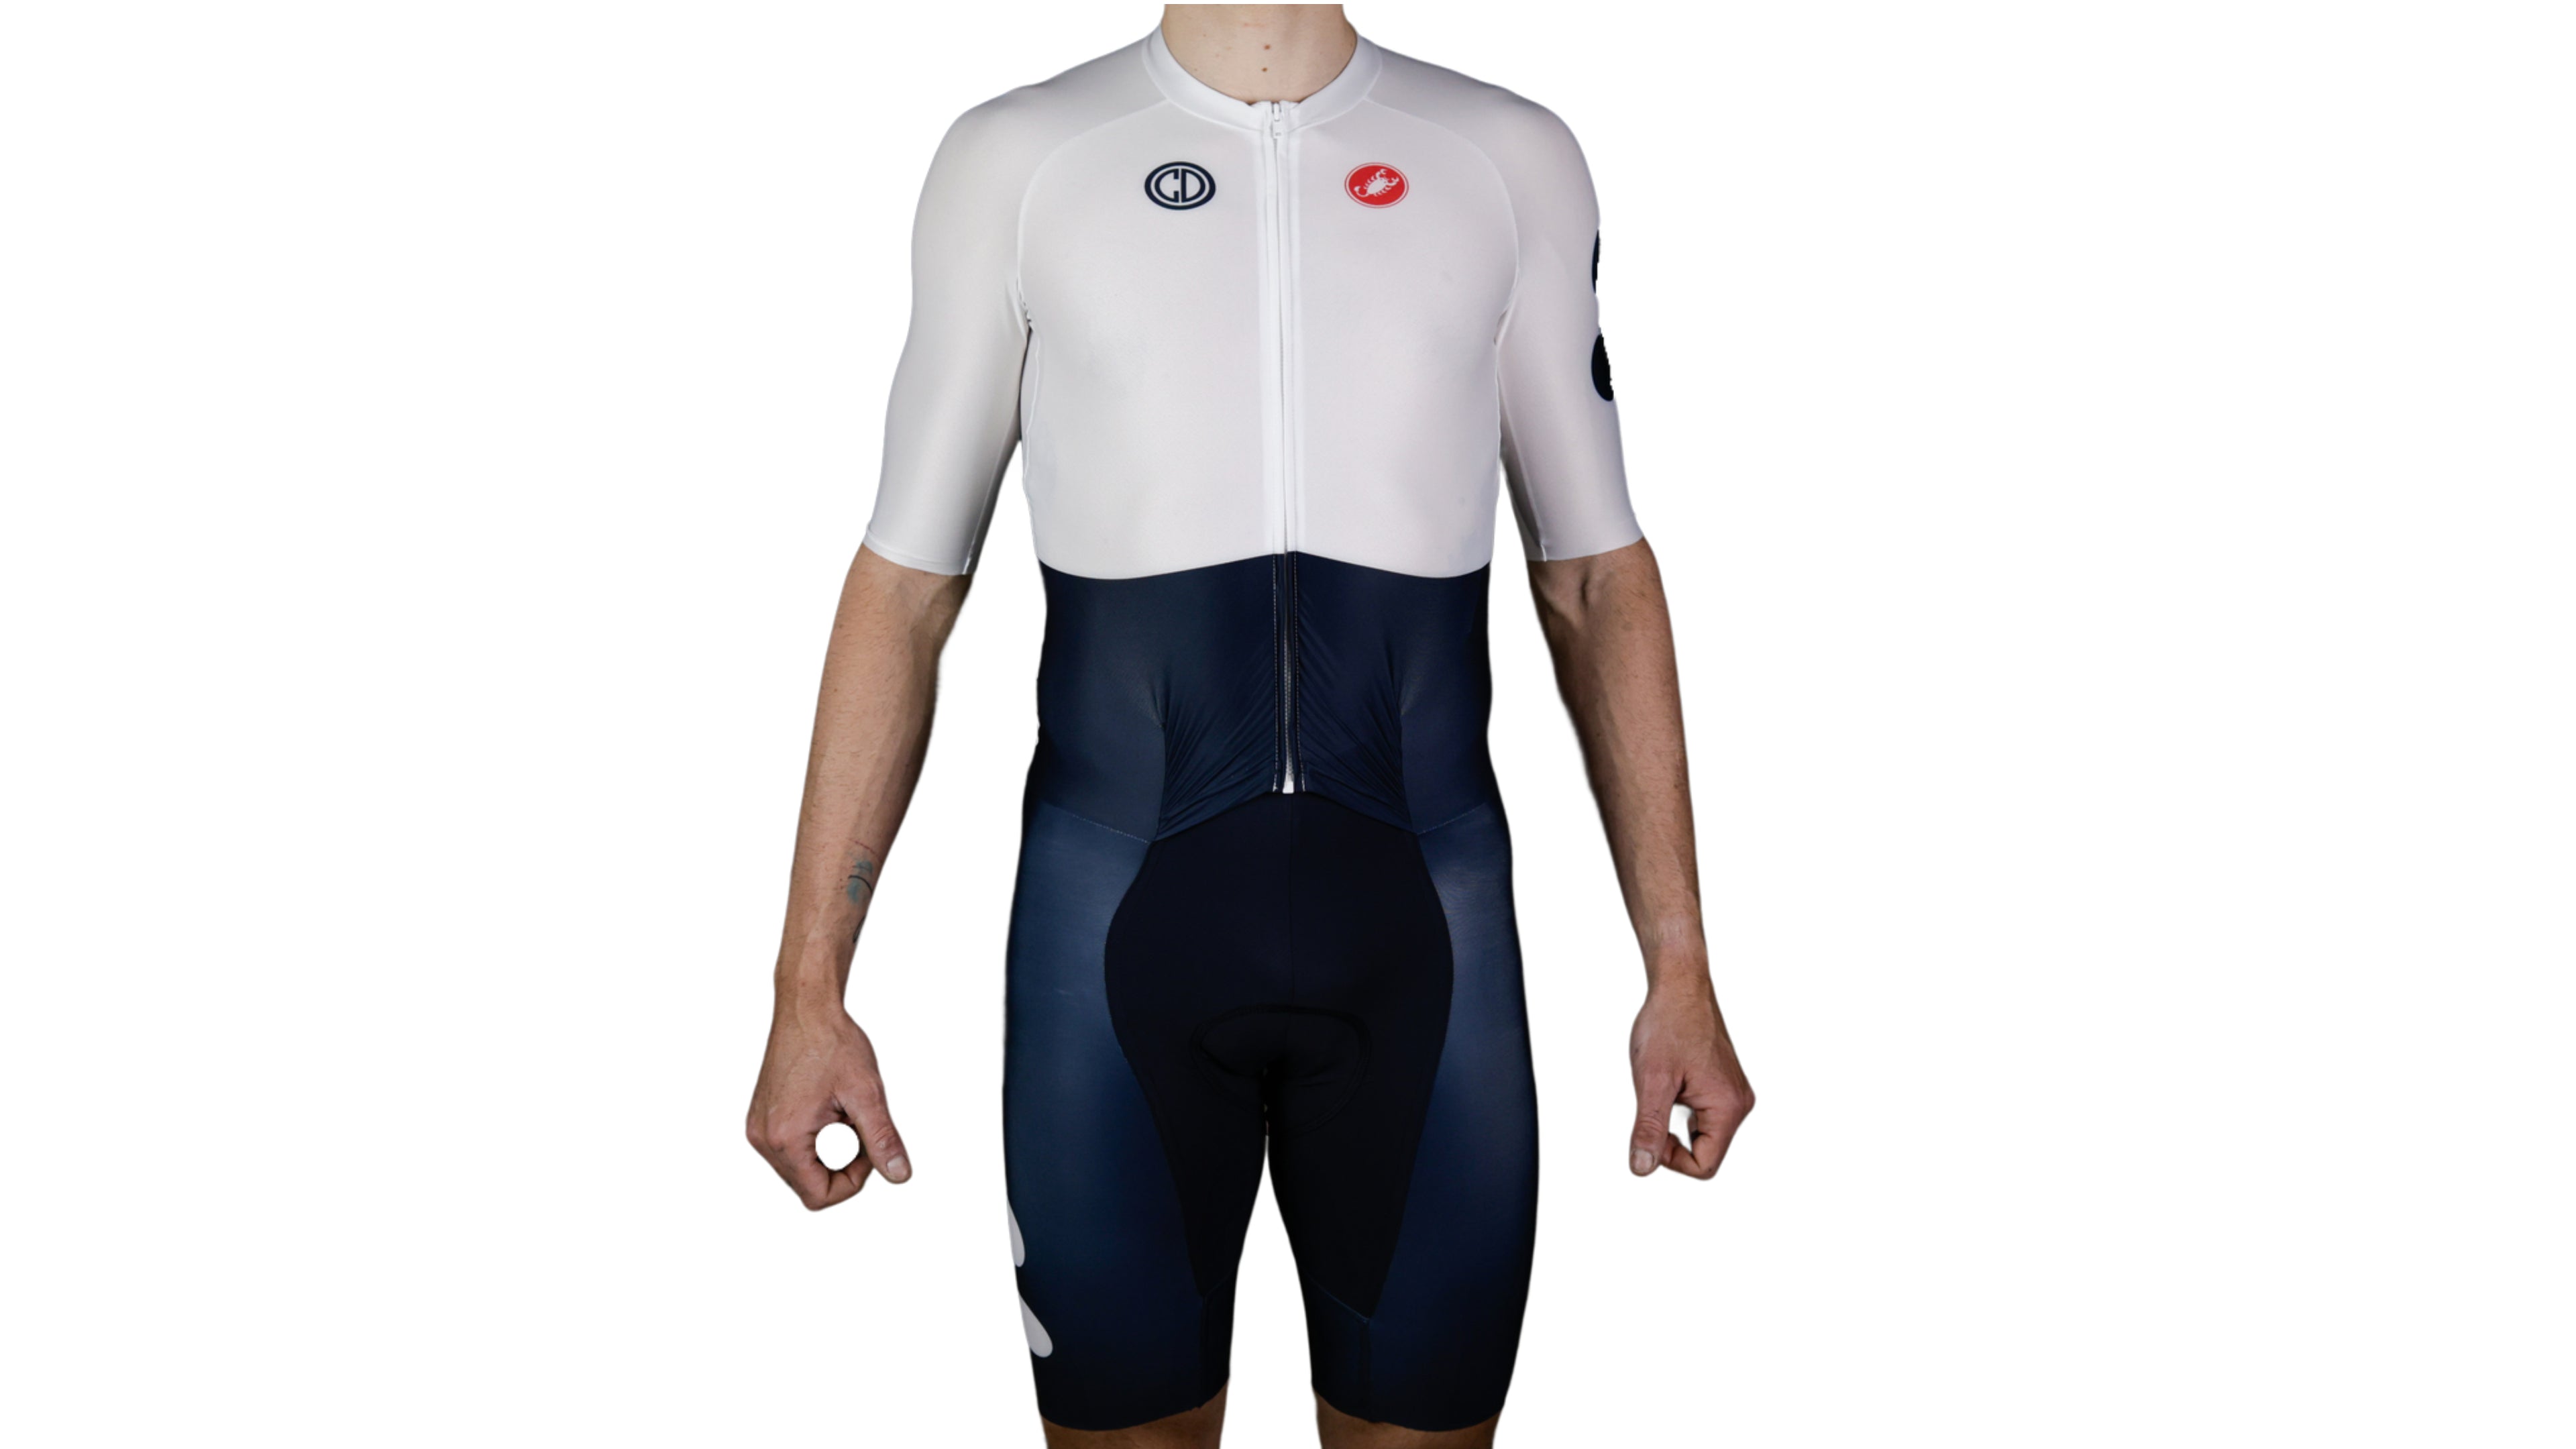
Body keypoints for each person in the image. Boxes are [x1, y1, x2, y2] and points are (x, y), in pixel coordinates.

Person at [745, 7, 1753, 1445]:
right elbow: (905, 589)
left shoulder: (1506, 155)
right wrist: (808, 991)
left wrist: (1682, 971)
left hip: (1426, 952)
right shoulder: (1019, 158)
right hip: (1114, 959)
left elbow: (1597, 577)